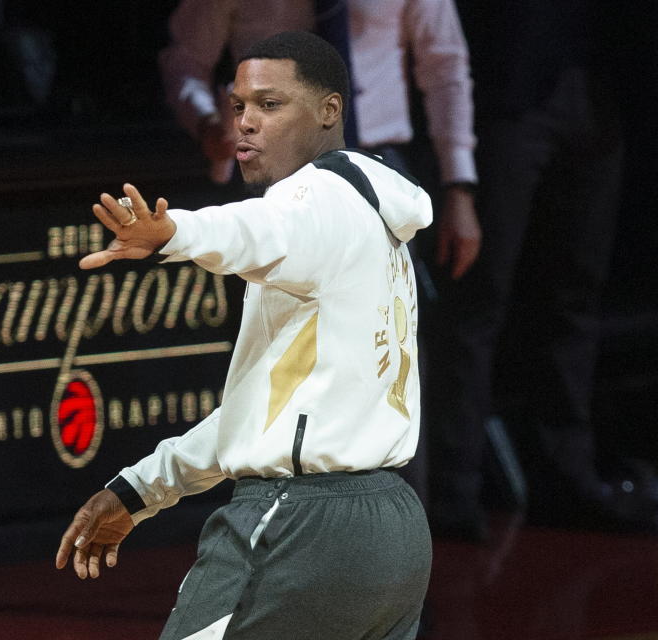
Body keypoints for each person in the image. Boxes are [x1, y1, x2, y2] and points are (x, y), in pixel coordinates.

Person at [56, 31, 433, 639]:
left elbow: (253, 230)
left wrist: (172, 233)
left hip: (301, 522)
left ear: (329, 111)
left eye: (270, 104)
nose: (245, 124)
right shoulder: (376, 224)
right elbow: (258, 417)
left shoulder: (315, 199)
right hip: (394, 528)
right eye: (238, 106)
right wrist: (138, 490)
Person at [428, 0, 658, 538]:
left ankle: (566, 478)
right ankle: (451, 493)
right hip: (509, 91)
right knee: (479, 296)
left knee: (575, 297)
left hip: (602, 90)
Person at [159, 0, 480, 284]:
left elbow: (444, 68)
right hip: (272, 167)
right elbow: (185, 58)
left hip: (375, 165)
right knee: (273, 320)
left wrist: (458, 186)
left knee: (387, 323)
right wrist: (206, 123)